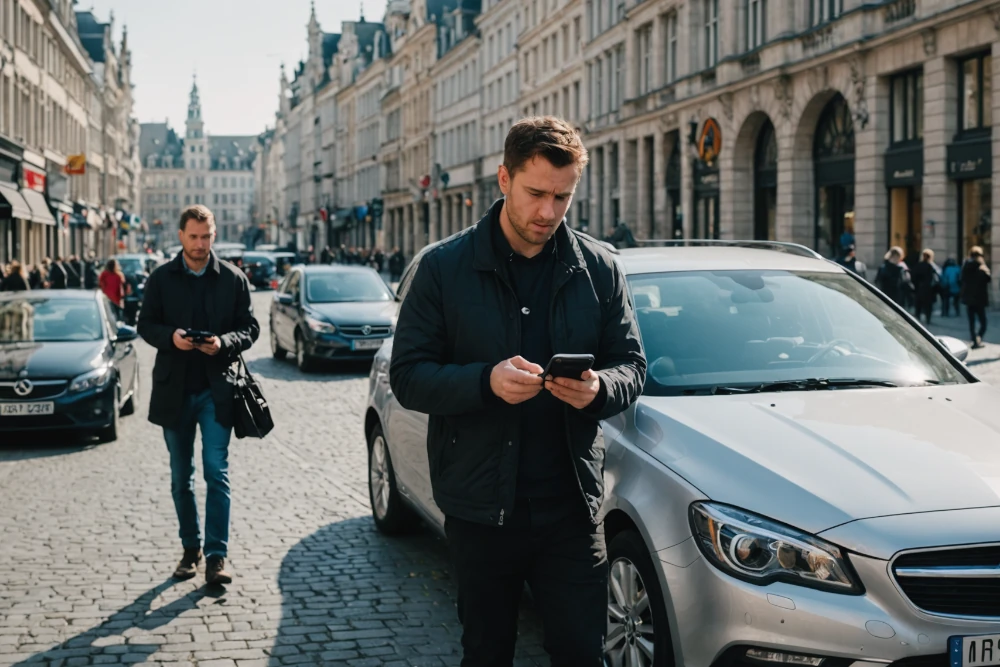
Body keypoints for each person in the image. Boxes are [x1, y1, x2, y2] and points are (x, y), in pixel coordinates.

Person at [390, 116, 646, 666]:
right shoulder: (443, 268)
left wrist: (601, 388)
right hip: (481, 511)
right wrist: (485, 382)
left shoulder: (599, 268)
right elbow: (407, 376)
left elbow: (632, 365)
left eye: (563, 197)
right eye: (536, 194)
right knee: (487, 652)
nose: (548, 212)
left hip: (572, 508)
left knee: (582, 653)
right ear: (504, 180)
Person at [137, 205, 260, 586]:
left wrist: (224, 342)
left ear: (214, 234)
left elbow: (250, 328)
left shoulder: (233, 278)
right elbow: (145, 325)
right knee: (180, 478)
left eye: (206, 237)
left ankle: (216, 557)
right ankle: (190, 549)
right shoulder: (160, 278)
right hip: (175, 391)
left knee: (216, 472)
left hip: (217, 390)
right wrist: (171, 338)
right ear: (180, 236)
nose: (200, 244)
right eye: (193, 237)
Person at [960, 245, 991, 348]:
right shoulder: (981, 267)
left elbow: (962, 279)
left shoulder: (966, 266)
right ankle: (978, 338)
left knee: (971, 322)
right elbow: (988, 279)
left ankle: (974, 341)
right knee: (983, 322)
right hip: (979, 299)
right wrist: (986, 270)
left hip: (969, 299)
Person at [911, 248, 941, 325]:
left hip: (919, 289)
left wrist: (915, 286)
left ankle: (917, 320)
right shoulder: (932, 266)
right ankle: (928, 319)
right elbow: (937, 278)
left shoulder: (918, 265)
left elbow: (913, 277)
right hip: (929, 290)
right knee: (928, 306)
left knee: (918, 305)